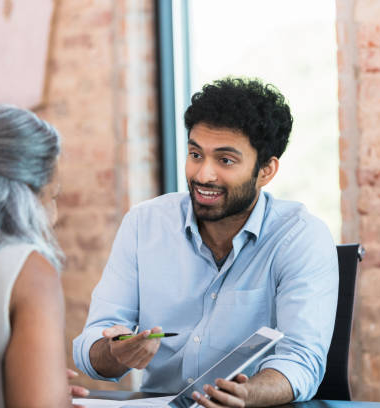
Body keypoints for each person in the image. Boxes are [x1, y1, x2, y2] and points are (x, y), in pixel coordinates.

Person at [73, 78, 338, 407]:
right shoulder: (144, 224)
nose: (203, 175)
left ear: (266, 170)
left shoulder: (299, 237)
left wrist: (245, 394)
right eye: (195, 154)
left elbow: (300, 360)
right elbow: (92, 345)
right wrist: (115, 351)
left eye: (225, 161)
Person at [0, 104, 87, 407]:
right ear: (24, 196)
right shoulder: (28, 272)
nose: (54, 217)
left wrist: (35, 379)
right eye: (52, 197)